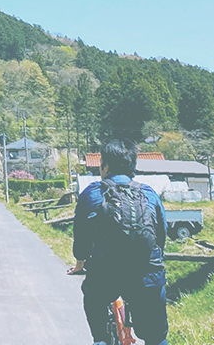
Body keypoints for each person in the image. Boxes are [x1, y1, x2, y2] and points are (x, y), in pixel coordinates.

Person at [67, 139, 168, 345]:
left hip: (105, 275)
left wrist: (80, 262)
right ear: (132, 167)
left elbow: (81, 237)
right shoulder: (148, 193)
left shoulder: (92, 193)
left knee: (93, 298)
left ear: (105, 166)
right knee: (157, 339)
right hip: (147, 274)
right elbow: (161, 236)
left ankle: (101, 340)